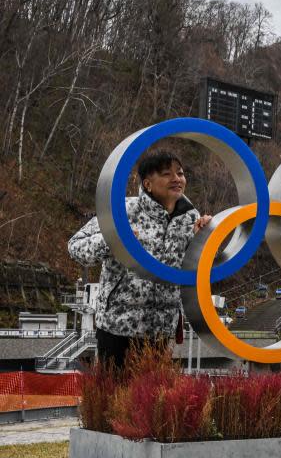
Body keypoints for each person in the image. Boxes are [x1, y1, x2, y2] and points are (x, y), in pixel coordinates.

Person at [68, 150, 211, 369]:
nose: (176, 178)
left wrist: (206, 239)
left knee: (151, 399)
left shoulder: (192, 218)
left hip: (162, 328)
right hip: (117, 326)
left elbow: (201, 267)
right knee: (113, 397)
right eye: (166, 174)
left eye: (180, 173)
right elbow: (75, 247)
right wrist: (112, 239)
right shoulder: (123, 211)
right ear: (148, 184)